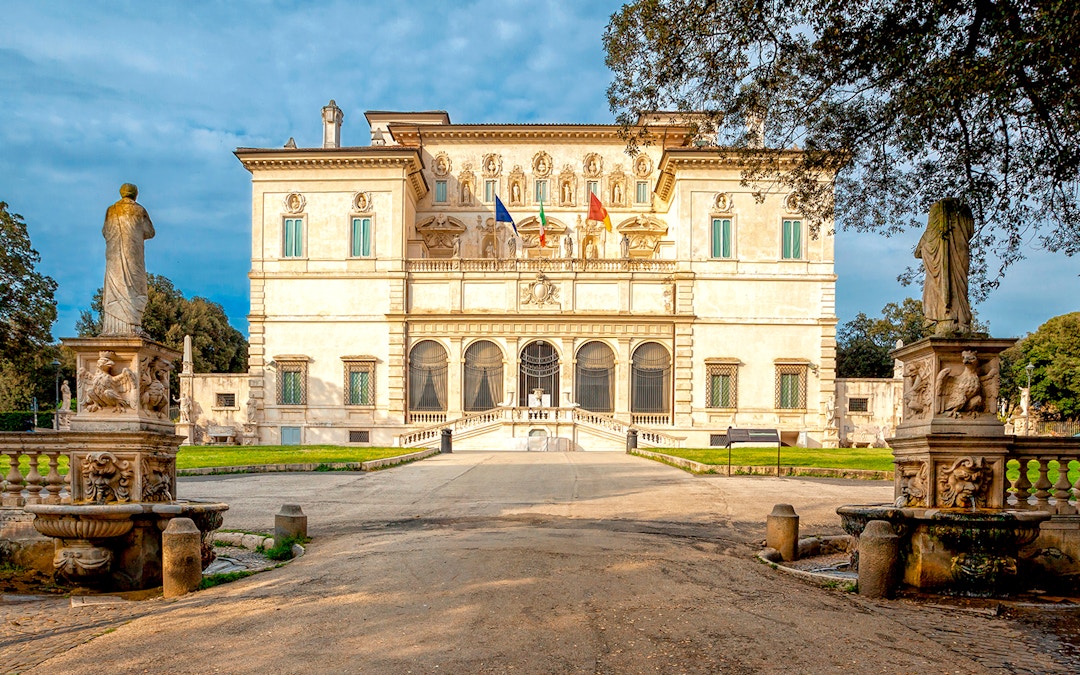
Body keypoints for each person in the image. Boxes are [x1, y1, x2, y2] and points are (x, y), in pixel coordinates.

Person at [102, 183, 155, 336]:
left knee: (116, 284)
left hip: (114, 256)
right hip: (133, 254)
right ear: (135, 194)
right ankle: (132, 326)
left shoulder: (111, 211)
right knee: (136, 286)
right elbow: (150, 232)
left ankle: (114, 326)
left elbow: (105, 231)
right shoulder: (139, 210)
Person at [915, 198, 974, 335]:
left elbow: (918, 252)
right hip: (961, 254)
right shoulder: (965, 213)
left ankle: (948, 318)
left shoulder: (932, 234)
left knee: (941, 284)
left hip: (955, 258)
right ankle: (959, 319)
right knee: (959, 286)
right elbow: (970, 231)